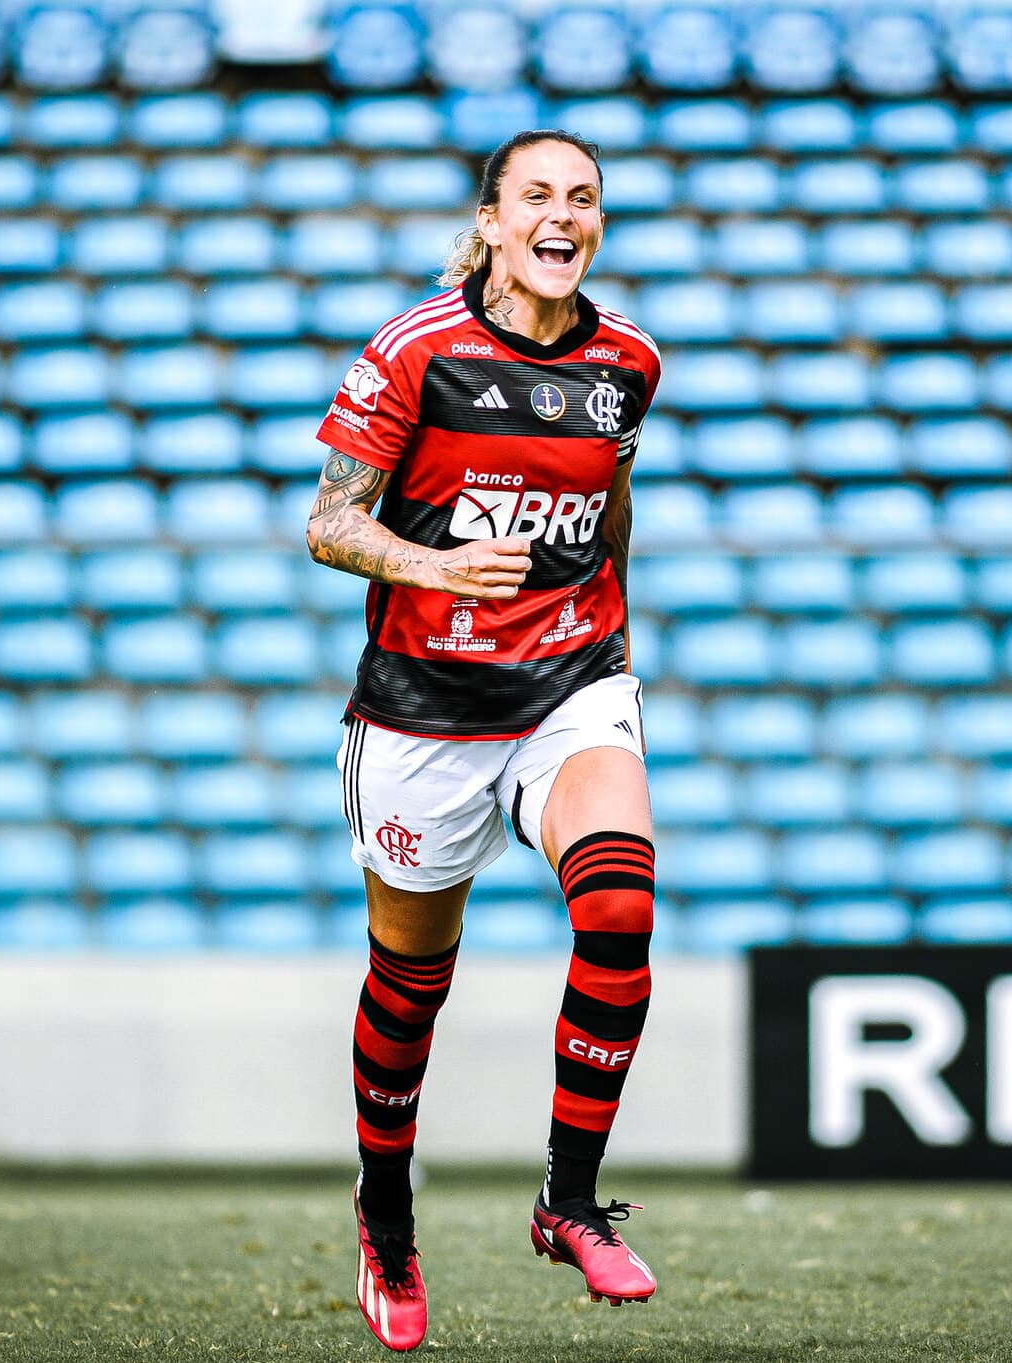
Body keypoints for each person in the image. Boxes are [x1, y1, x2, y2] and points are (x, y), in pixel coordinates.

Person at [305, 128, 664, 1352]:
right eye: (537, 197)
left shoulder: (628, 363)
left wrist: (613, 635)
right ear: (493, 220)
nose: (561, 216)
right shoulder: (417, 351)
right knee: (412, 984)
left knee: (619, 905)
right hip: (422, 711)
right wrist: (436, 561)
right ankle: (387, 1216)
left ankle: (568, 1201)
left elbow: (610, 495)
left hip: (569, 680)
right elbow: (329, 523)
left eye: (584, 198)